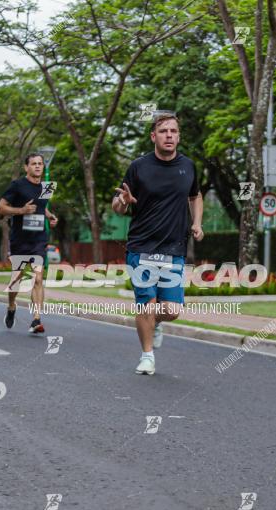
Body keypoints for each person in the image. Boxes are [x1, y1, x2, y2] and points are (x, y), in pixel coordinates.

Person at [113, 113, 204, 375]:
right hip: (141, 247)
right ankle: (147, 356)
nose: (169, 136)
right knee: (146, 303)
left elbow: (195, 196)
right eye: (163, 131)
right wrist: (124, 201)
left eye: (173, 131)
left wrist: (197, 223)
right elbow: (117, 205)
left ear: (179, 136)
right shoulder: (138, 167)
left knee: (172, 310)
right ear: (153, 136)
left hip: (174, 249)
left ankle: (156, 323)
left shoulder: (188, 166)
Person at [0, 153, 59, 334]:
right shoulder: (17, 185)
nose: (38, 166)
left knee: (38, 278)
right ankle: (11, 306)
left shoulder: (47, 187)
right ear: (26, 167)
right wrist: (21, 210)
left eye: (40, 164)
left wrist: (50, 216)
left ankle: (36, 319)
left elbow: (42, 207)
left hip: (39, 240)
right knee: (17, 278)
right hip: (20, 240)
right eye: (33, 164)